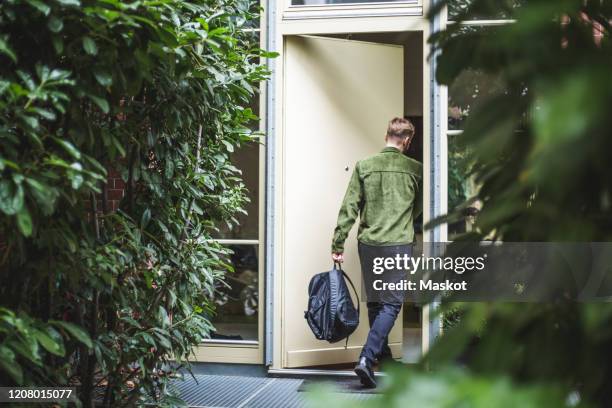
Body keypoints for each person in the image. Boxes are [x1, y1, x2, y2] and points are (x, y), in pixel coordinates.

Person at [331, 117, 422, 388]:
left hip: (369, 244)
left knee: (375, 303)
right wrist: (402, 221)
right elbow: (417, 208)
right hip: (398, 243)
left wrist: (337, 243)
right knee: (392, 304)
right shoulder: (416, 169)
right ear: (407, 140)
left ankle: (383, 356)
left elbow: (349, 207)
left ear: (387, 134)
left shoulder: (364, 166)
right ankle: (367, 358)